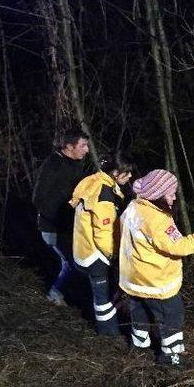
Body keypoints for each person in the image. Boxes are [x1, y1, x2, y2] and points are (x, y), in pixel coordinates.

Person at [119, 169, 194, 366]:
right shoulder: (158, 220)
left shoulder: (133, 207)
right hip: (156, 283)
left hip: (133, 278)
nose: (174, 197)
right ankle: (171, 357)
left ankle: (138, 347)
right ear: (158, 195)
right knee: (172, 316)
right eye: (171, 193)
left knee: (139, 310)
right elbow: (180, 246)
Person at [70, 153, 134, 335]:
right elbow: (103, 234)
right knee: (102, 299)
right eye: (126, 173)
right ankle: (109, 334)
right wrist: (114, 256)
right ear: (115, 172)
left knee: (103, 295)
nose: (130, 176)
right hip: (95, 254)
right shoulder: (105, 194)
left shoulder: (93, 181)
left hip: (82, 247)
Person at [33, 127, 90, 305]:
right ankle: (54, 293)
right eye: (83, 145)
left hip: (68, 227)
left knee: (73, 263)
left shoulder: (74, 164)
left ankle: (60, 292)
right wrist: (59, 220)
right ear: (68, 146)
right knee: (72, 264)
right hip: (54, 228)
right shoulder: (54, 165)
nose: (87, 149)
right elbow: (38, 198)